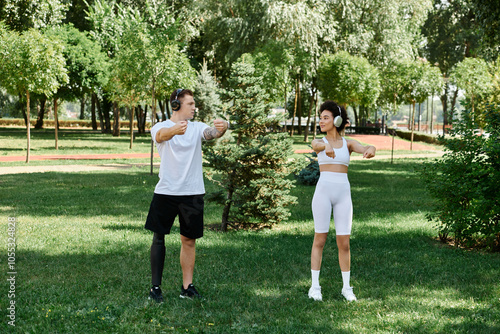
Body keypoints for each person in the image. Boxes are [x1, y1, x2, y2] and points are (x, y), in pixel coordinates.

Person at [145, 88, 229, 302]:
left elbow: (211, 133)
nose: (194, 107)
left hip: (192, 192)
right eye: (190, 103)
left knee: (189, 240)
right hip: (166, 191)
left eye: (194, 103)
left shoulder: (197, 127)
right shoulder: (161, 126)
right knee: (158, 238)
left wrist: (222, 129)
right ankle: (155, 288)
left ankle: (187, 286)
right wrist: (174, 130)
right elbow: (160, 136)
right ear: (176, 105)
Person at [308, 100, 376, 302]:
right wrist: (325, 147)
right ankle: (315, 287)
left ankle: (347, 288)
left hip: (343, 196)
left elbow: (366, 145)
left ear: (337, 120)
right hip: (323, 194)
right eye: (320, 118)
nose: (321, 121)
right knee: (319, 239)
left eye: (326, 117)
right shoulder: (319, 142)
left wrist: (371, 149)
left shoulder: (348, 144)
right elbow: (317, 145)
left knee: (344, 242)